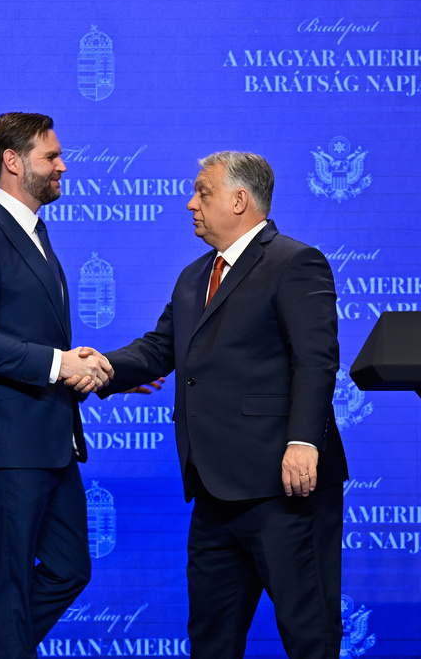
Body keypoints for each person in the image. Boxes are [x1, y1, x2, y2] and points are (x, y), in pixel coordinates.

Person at [82, 151, 348, 659]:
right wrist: (103, 367)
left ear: (240, 200)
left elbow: (315, 361)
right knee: (211, 640)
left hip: (283, 487)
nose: (191, 203)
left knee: (309, 636)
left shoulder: (295, 262)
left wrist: (302, 441)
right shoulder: (193, 276)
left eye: (203, 193)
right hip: (213, 492)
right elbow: (160, 348)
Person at [0, 112, 114, 659]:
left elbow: (32, 333)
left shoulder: (32, 230)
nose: (63, 166)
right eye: (51, 156)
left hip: (48, 438)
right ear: (13, 162)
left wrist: (84, 366)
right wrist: (58, 364)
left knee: (69, 568)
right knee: (10, 591)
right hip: (8, 439)